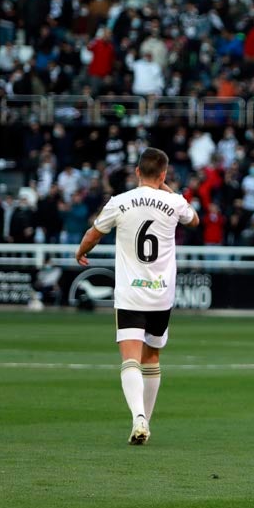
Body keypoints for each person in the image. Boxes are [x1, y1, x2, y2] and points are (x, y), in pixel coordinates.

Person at [73, 147, 199, 445]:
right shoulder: (174, 201)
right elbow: (193, 221)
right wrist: (168, 190)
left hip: (131, 292)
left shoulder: (120, 202)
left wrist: (81, 251)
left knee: (130, 358)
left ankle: (138, 417)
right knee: (152, 357)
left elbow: (95, 233)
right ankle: (145, 421)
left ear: (137, 172)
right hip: (161, 294)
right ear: (164, 174)